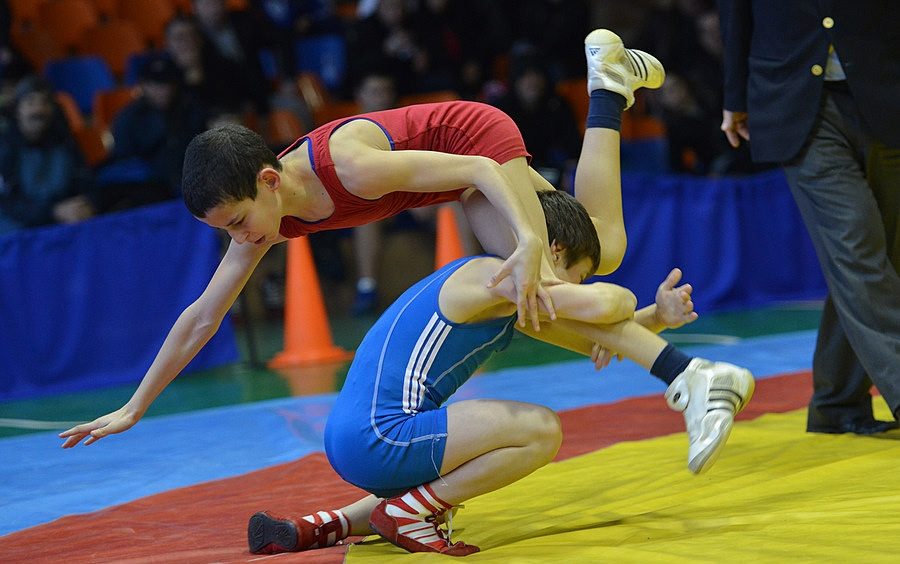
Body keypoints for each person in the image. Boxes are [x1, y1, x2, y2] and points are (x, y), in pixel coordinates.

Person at [57, 28, 668, 453]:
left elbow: (481, 170)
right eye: (226, 232)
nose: (239, 240)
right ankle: (609, 92)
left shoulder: (349, 167)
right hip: (458, 181)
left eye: (238, 222)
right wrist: (135, 407)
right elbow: (201, 318)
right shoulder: (266, 214)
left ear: (269, 182)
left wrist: (530, 242)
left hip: (475, 143)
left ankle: (643, 330)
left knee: (557, 271)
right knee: (591, 250)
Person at [240, 189, 754, 556]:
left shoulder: (504, 293)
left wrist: (655, 319)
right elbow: (608, 303)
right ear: (552, 252)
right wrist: (614, 298)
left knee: (456, 472)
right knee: (540, 430)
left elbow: (593, 340)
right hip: (379, 438)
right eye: (578, 273)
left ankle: (317, 527)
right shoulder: (493, 276)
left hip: (362, 440)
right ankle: (406, 512)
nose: (575, 287)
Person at [718, 1, 900, 434]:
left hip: (886, 94)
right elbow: (735, 13)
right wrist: (734, 97)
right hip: (795, 101)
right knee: (857, 244)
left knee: (879, 259)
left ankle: (837, 405)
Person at [0, 76, 95, 234]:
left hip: (65, 218)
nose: (39, 110)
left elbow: (86, 181)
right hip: (21, 226)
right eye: (30, 103)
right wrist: (53, 212)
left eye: (45, 103)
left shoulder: (65, 142)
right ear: (17, 110)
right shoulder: (6, 148)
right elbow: (9, 203)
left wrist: (87, 204)